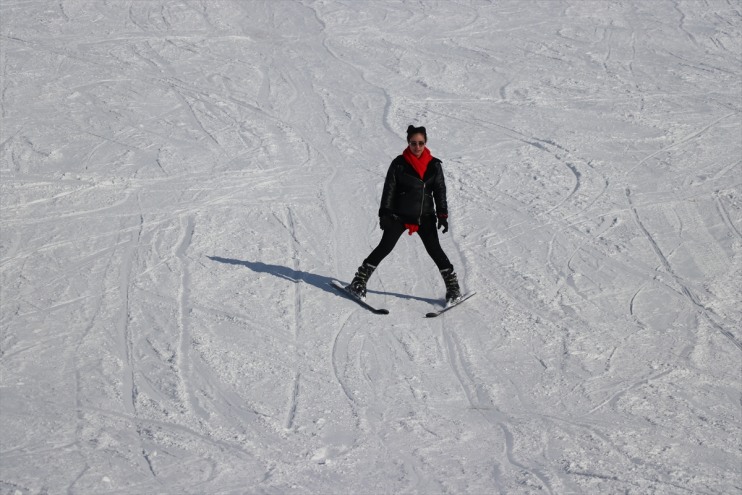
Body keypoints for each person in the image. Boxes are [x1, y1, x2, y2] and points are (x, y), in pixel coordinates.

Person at [347, 125, 462, 304]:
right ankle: (359, 281)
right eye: (413, 143)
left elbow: (440, 191)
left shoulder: (434, 165)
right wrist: (384, 213)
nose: (417, 147)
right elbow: (389, 190)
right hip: (399, 215)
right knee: (385, 246)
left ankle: (453, 287)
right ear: (408, 143)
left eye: (420, 143)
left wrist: (442, 215)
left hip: (425, 216)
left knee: (435, 250)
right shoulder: (399, 163)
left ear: (426, 143)